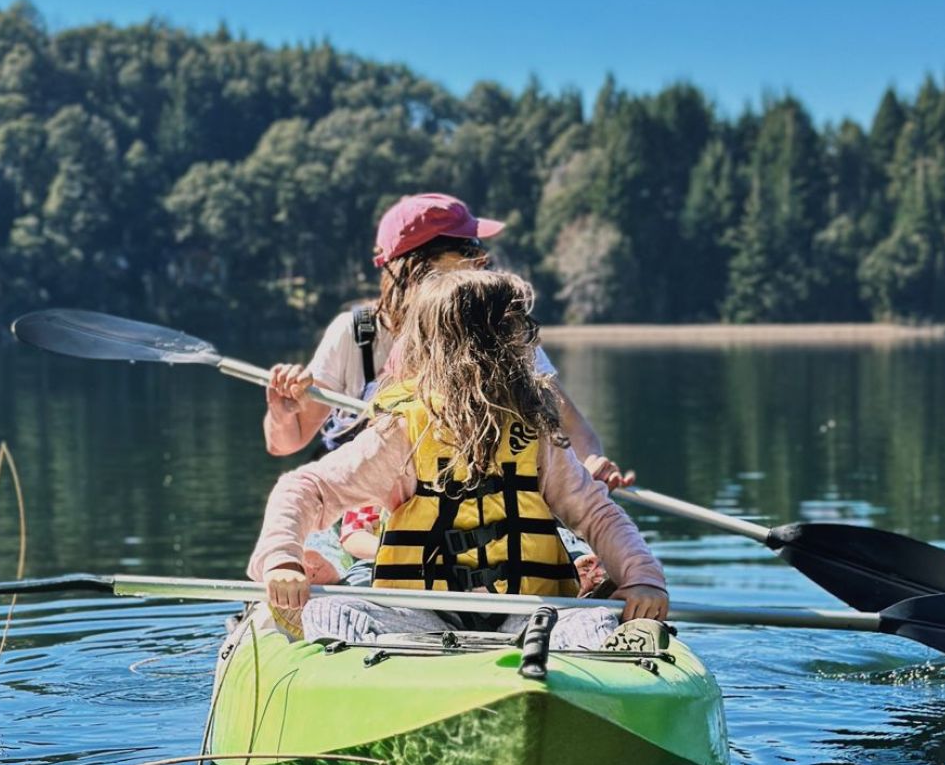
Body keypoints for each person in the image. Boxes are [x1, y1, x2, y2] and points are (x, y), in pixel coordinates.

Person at [248, 269, 668, 650]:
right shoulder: (403, 432)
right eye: (516, 335)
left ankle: (611, 644)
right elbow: (305, 489)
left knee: (589, 619)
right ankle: (375, 667)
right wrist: (282, 558)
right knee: (332, 612)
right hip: (419, 618)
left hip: (528, 613)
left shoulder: (534, 433)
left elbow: (597, 515)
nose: (526, 348)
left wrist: (642, 578)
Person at [263, 192, 635, 490]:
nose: (483, 259)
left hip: (461, 510)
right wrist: (282, 415)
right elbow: (285, 443)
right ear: (418, 266)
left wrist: (591, 466)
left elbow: (574, 430)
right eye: (468, 249)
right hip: (364, 515)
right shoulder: (356, 335)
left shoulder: (504, 330)